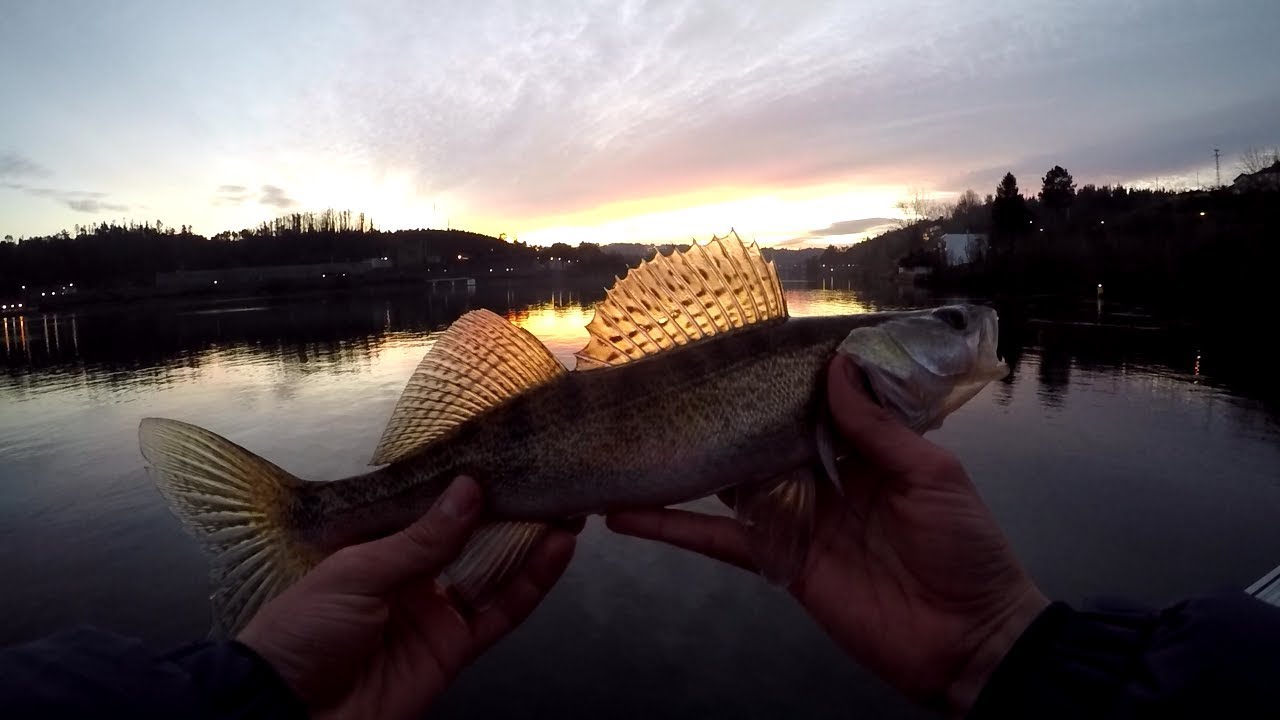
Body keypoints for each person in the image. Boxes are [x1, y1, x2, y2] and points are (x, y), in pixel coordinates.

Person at [3, 355, 1280, 718]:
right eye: (943, 326)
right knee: (468, 526)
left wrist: (1002, 643)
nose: (971, 343)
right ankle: (301, 519)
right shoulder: (829, 382)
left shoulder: (842, 414)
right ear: (861, 369)